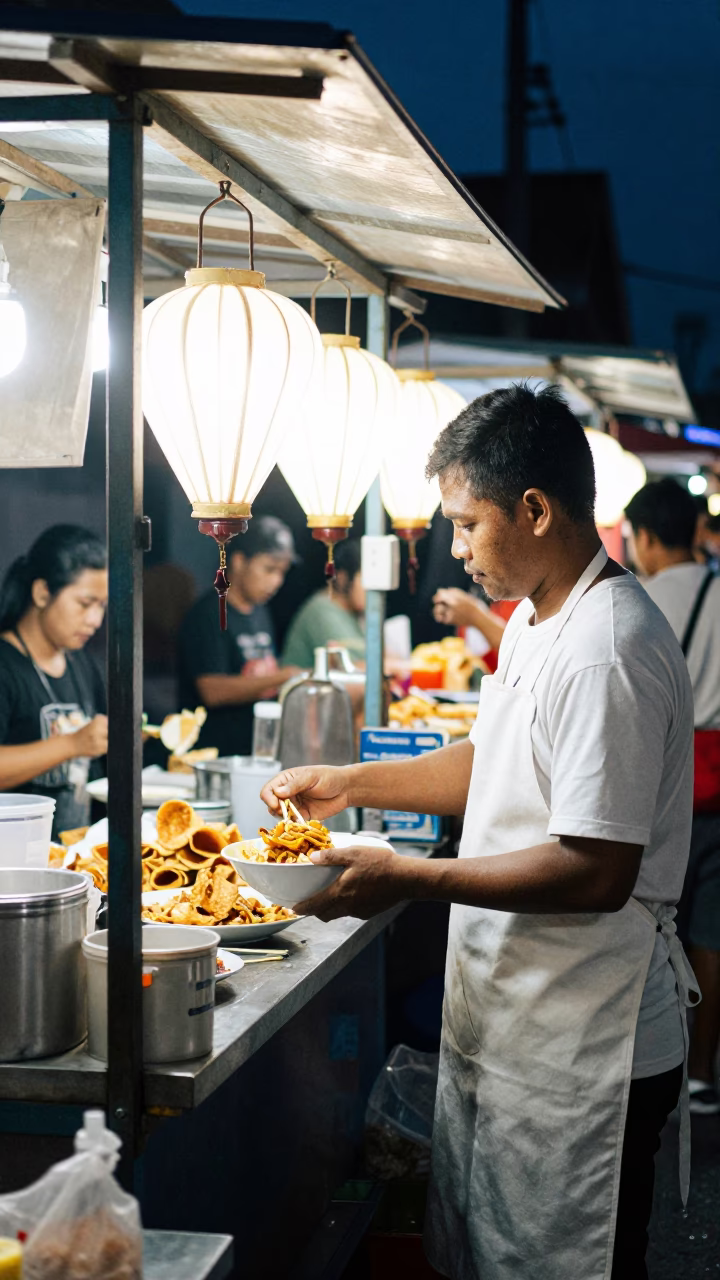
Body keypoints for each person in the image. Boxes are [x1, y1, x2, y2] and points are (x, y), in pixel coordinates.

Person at [262, 383, 698, 1280]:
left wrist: (406, 879)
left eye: (465, 525)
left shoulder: (606, 648)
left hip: (587, 1044)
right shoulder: (541, 619)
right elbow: (487, 757)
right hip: (521, 1014)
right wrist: (349, 783)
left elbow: (596, 869)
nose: (454, 551)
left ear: (535, 510)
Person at [626, 477, 720, 1115]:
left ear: (649, 538)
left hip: (667, 778)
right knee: (712, 932)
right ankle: (703, 1074)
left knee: (650, 918)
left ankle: (647, 1056)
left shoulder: (639, 602)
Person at [0, 526, 108, 838]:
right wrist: (72, 744)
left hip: (78, 852)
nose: (95, 620)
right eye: (85, 603)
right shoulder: (6, 665)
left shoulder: (82, 663)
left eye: (101, 606)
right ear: (42, 593)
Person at [178, 516, 303, 758]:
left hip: (256, 750)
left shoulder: (261, 612)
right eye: (269, 569)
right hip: (215, 753)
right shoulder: (210, 614)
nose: (276, 581)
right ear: (239, 561)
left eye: (282, 572)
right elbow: (212, 690)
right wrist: (282, 677)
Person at [281, 539, 365, 670]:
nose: (372, 589)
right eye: (365, 579)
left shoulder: (358, 613)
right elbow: (350, 669)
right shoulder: (321, 610)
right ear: (343, 577)